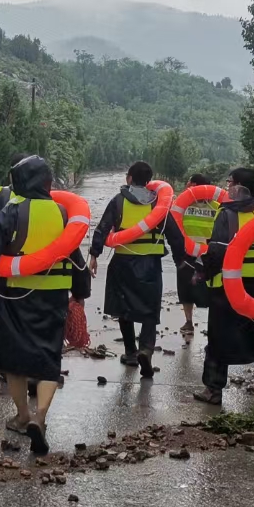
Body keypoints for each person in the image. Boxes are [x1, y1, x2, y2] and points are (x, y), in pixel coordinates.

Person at [0, 155, 91, 455]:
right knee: (48, 358)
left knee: (14, 360)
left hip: (15, 298)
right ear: (47, 183)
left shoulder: (11, 212)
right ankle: (41, 416)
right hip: (54, 299)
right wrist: (79, 295)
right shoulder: (62, 214)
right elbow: (76, 259)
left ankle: (22, 416)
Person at [194, 167, 254, 412]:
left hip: (229, 291)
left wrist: (200, 273)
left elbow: (216, 252)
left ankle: (213, 390)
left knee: (218, 340)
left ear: (238, 187)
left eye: (230, 182)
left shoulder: (226, 215)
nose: (227, 186)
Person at [89, 161, 165, 378]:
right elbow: (175, 234)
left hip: (123, 263)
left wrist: (94, 255)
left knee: (124, 307)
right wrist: (184, 259)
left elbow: (103, 228)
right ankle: (146, 349)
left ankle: (131, 352)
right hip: (150, 264)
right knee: (150, 310)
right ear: (149, 181)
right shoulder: (158, 205)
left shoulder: (119, 201)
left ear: (129, 178)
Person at [163, 172, 219, 339]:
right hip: (190, 253)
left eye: (189, 183)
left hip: (207, 255)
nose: (187, 185)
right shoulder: (183, 205)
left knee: (208, 289)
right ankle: (190, 321)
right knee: (187, 289)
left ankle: (203, 324)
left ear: (195, 186)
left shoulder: (217, 206)